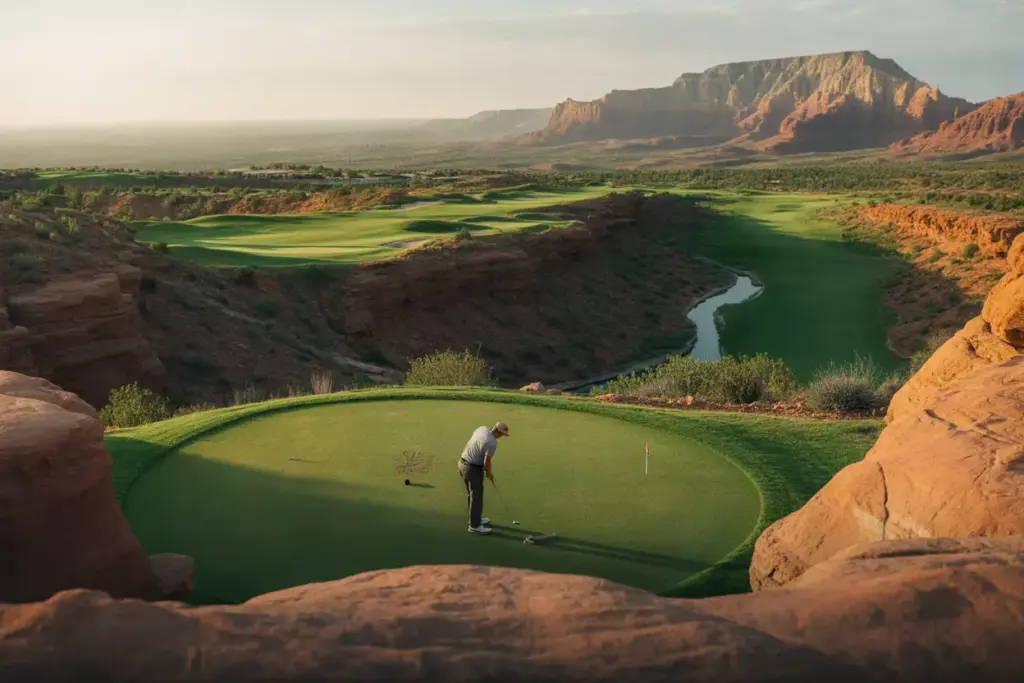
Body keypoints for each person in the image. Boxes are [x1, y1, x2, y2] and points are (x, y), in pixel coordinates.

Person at [457, 421, 509, 534]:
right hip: (472, 468)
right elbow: (487, 461)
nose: (502, 436)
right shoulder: (492, 443)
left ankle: (476, 516)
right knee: (476, 494)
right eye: (503, 434)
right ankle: (474, 525)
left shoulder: (482, 428)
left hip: (462, 463)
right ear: (499, 432)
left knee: (472, 493)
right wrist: (489, 474)